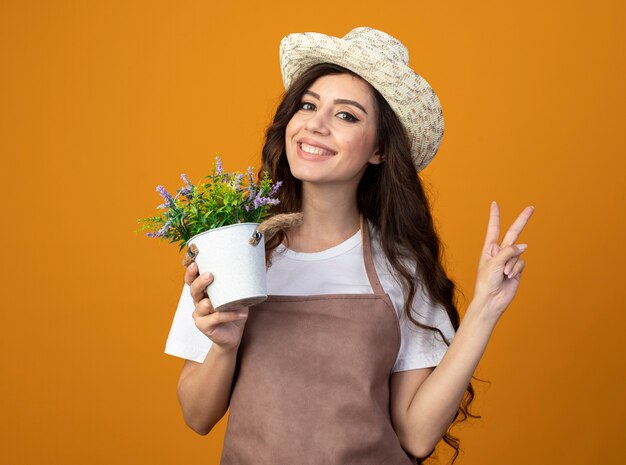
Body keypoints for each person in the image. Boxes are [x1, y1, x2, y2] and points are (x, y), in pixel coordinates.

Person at [164, 27, 534, 464]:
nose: (315, 125)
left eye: (346, 116)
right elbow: (196, 415)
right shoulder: (232, 247)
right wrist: (225, 346)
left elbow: (416, 436)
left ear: (378, 149)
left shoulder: (400, 267)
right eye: (307, 105)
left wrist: (485, 309)